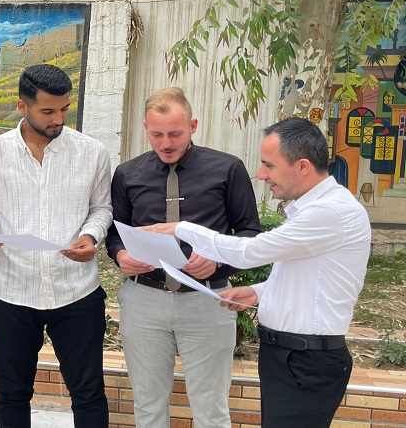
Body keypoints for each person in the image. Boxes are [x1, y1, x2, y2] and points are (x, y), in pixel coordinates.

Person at [144, 117, 370, 428]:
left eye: (269, 165)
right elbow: (309, 277)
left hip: (306, 359)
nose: (261, 174)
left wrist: (182, 228)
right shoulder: (314, 210)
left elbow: (250, 251)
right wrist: (258, 292)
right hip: (289, 354)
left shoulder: (329, 212)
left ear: (303, 166)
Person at [105, 87, 260, 428]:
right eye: (157, 134)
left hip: (208, 299)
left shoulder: (227, 169)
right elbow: (114, 233)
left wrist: (219, 260)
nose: (166, 143)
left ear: (192, 126)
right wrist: (121, 255)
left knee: (211, 409)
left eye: (175, 134)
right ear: (146, 128)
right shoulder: (127, 174)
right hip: (144, 300)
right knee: (147, 406)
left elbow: (251, 233)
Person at [0, 64, 112, 428]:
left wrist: (90, 236)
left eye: (64, 109)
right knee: (13, 391)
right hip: (11, 290)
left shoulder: (92, 152)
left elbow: (102, 208)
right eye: (48, 111)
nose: (58, 119)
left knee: (88, 392)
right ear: (22, 106)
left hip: (76, 290)